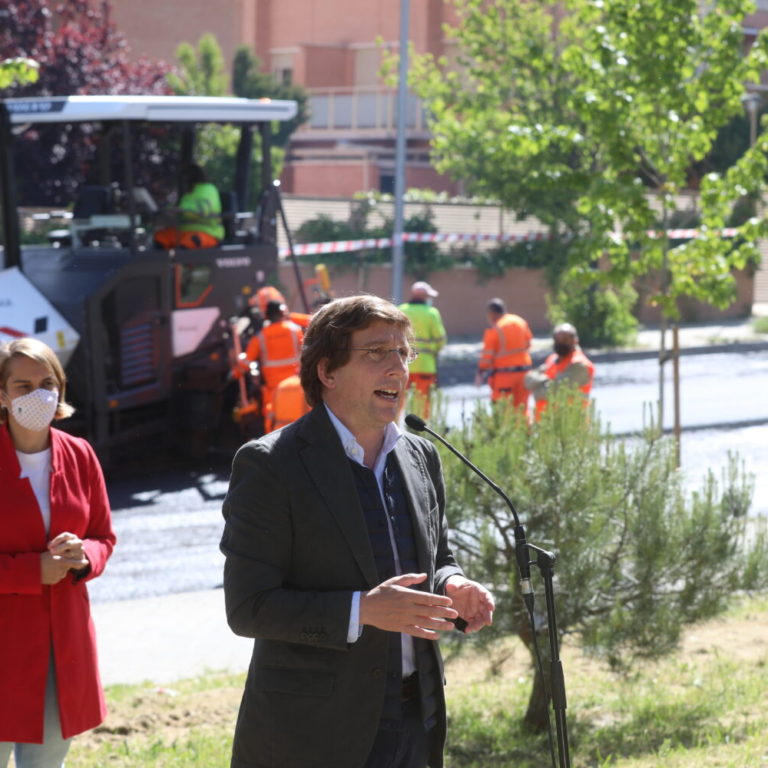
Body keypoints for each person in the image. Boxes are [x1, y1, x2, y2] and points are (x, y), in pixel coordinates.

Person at [220, 294, 494, 768]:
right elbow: (249, 608)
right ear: (327, 372)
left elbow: (437, 557)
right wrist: (362, 610)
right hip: (313, 732)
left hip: (416, 719)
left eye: (403, 352)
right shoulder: (270, 465)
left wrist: (453, 583)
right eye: (376, 353)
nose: (398, 368)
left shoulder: (420, 455)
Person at [0, 338, 116, 768]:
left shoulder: (80, 454)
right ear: (1, 393)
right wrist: (33, 571)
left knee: (46, 762)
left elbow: (104, 536)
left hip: (59, 645)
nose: (37, 394)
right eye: (22, 384)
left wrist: (82, 556)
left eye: (47, 382)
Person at [245, 299, 304, 417]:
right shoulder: (295, 330)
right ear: (282, 313)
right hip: (296, 385)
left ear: (267, 316)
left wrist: (234, 373)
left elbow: (247, 362)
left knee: (274, 418)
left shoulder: (261, 336)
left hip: (273, 390)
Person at [524, 322, 595, 418]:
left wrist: (537, 387)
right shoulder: (552, 359)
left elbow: (553, 391)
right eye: (557, 339)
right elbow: (528, 379)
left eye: (565, 339)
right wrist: (546, 381)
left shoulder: (580, 365)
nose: (560, 343)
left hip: (570, 423)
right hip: (546, 421)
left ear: (575, 340)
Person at [475, 297, 533, 411]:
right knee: (522, 409)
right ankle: (524, 429)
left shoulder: (496, 328)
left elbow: (487, 357)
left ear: (491, 313)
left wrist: (480, 371)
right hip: (524, 374)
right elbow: (528, 343)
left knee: (503, 412)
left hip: (505, 377)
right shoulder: (520, 321)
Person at [398, 281, 447, 418]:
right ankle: (419, 433)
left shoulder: (401, 310)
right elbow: (440, 339)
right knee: (423, 402)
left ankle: (392, 429)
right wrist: (434, 349)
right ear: (424, 296)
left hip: (402, 364)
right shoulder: (432, 313)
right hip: (426, 366)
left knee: (397, 400)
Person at [154, 163, 224, 249]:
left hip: (207, 232)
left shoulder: (209, 189)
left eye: (186, 178)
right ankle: (160, 262)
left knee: (188, 242)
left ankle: (181, 262)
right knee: (160, 238)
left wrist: (184, 210)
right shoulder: (188, 193)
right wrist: (170, 211)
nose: (184, 181)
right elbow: (180, 208)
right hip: (184, 230)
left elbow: (204, 209)